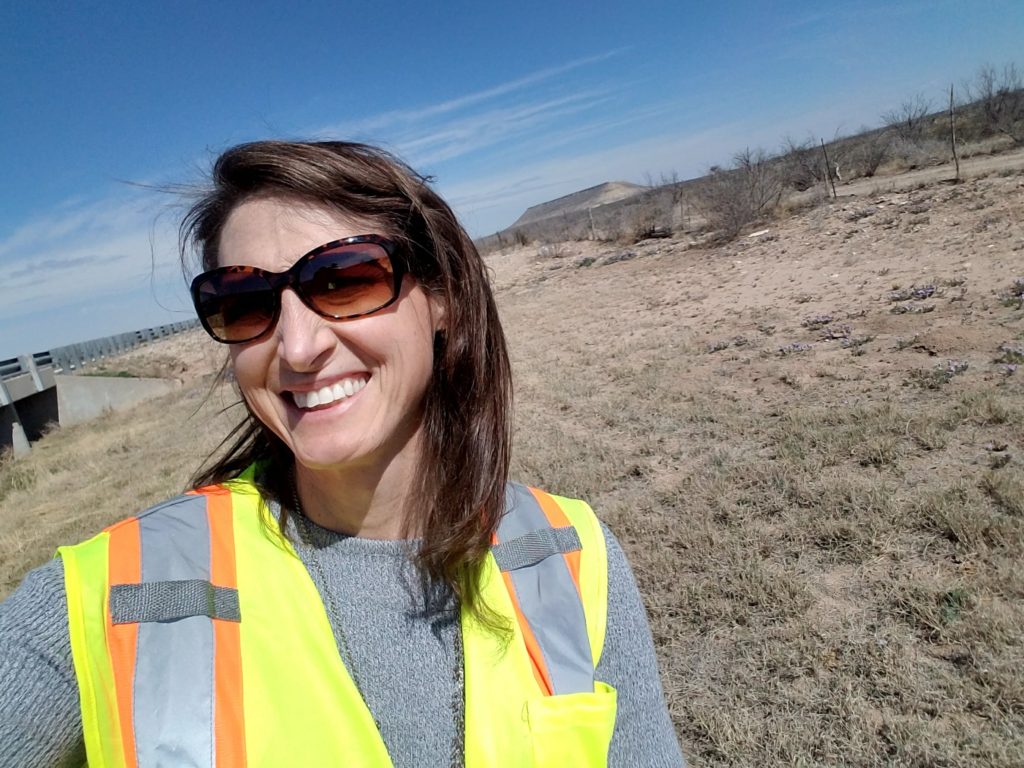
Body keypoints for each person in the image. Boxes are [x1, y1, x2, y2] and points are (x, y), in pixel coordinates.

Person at [0, 140, 684, 766]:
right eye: (244, 301)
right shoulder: (106, 598)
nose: (298, 347)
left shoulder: (572, 556)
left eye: (344, 278)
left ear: (443, 296)